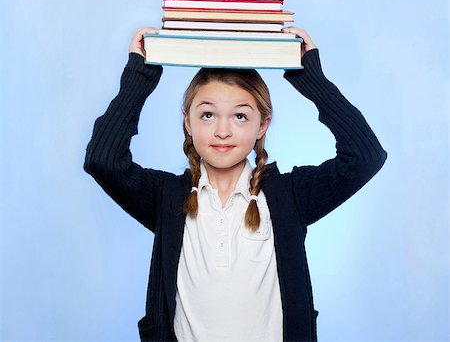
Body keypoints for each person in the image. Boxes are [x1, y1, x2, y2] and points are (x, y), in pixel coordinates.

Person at [84, 27, 387, 342]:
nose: (223, 131)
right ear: (187, 122)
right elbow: (102, 160)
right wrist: (140, 77)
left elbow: (365, 157)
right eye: (207, 115)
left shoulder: (290, 197)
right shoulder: (167, 198)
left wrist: (311, 79)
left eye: (240, 116)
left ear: (262, 125)